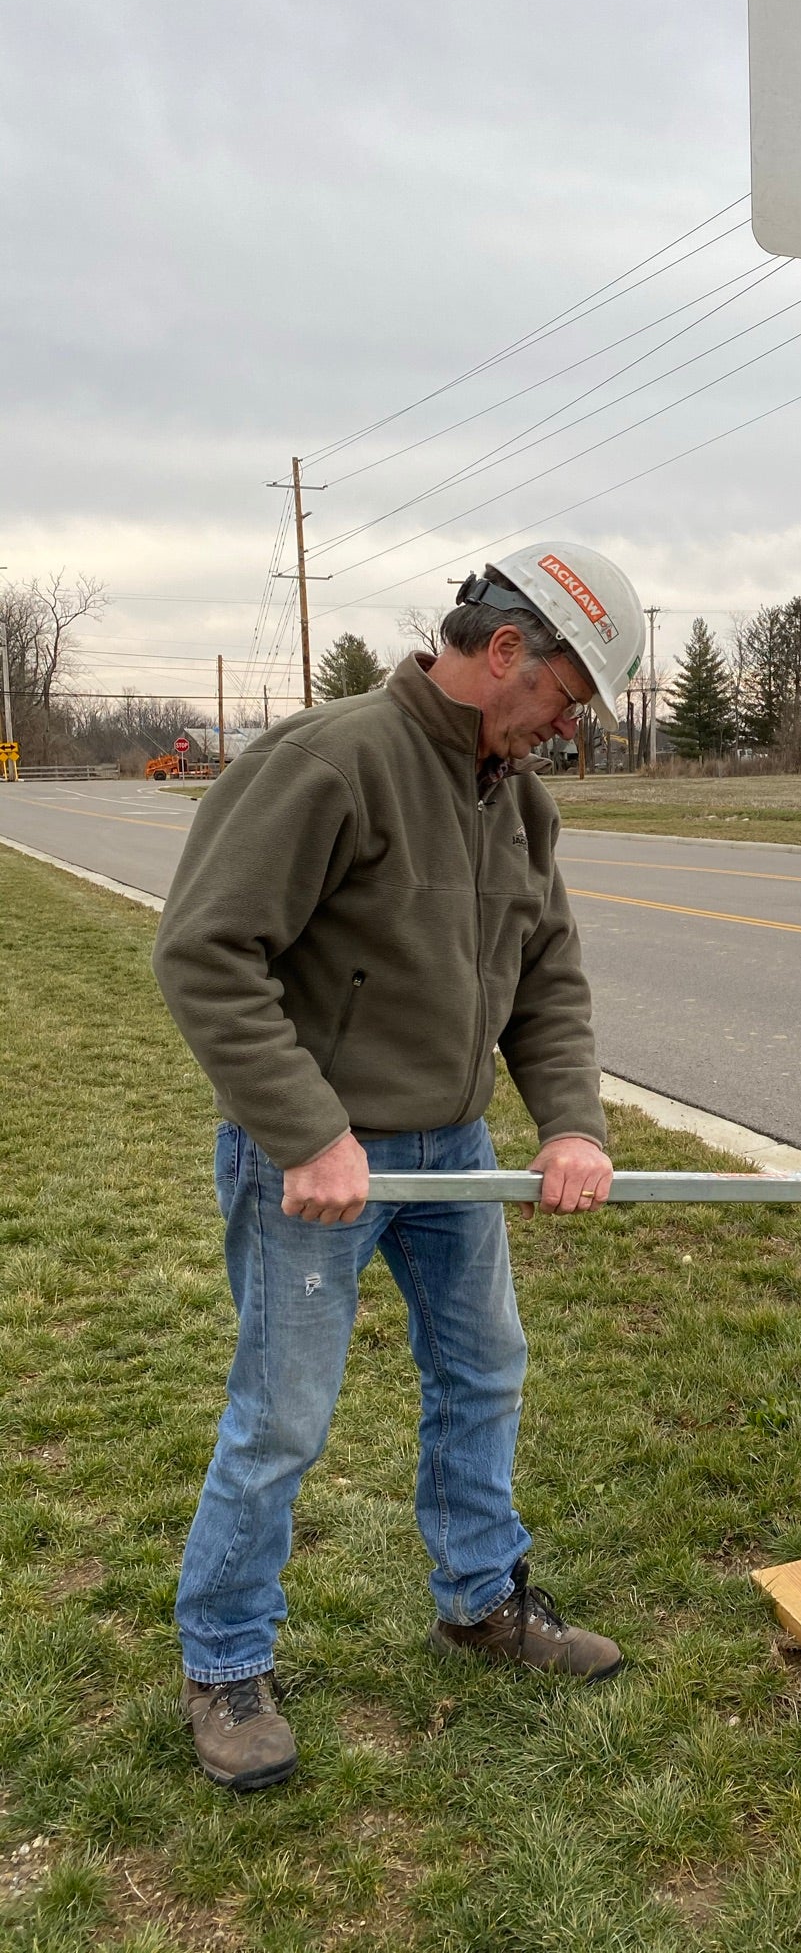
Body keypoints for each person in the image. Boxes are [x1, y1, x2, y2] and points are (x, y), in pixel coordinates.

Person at [152, 540, 648, 1790]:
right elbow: (205, 951)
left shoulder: (518, 803)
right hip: (318, 1162)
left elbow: (547, 976)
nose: (566, 728)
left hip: (452, 1152)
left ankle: (479, 1599)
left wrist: (572, 1123)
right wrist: (308, 1131)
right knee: (283, 1415)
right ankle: (224, 1660)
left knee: (484, 1371)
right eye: (565, 697)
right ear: (503, 650)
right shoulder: (333, 761)